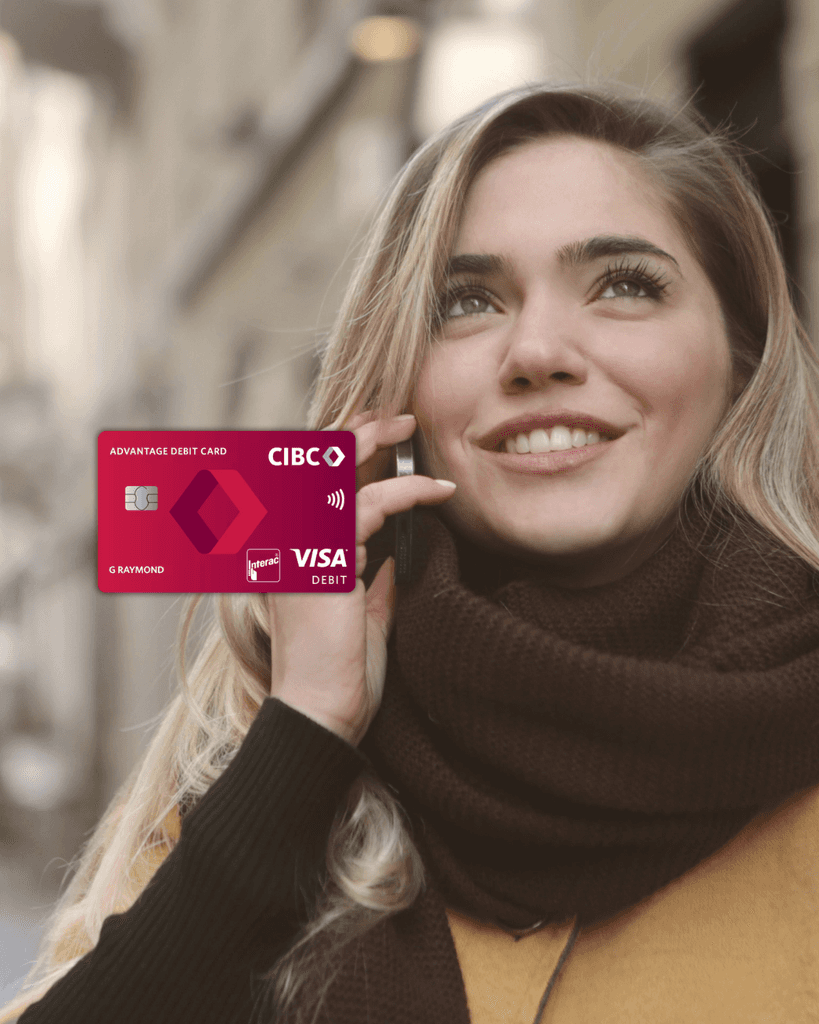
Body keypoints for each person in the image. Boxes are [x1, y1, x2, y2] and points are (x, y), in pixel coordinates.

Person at [5, 80, 819, 1024]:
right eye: (466, 303)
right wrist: (306, 729)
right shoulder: (267, 746)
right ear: (398, 388)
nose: (537, 350)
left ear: (744, 360)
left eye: (625, 286)